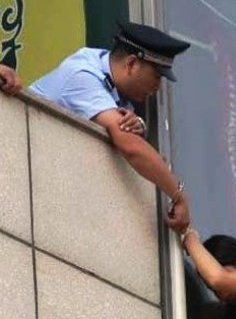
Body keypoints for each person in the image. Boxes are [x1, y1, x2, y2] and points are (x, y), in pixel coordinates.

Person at [29, 21, 191, 231]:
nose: (158, 87)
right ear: (131, 64)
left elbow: (133, 138)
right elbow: (131, 147)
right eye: (157, 76)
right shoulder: (83, 75)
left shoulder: (113, 83)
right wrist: (178, 195)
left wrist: (139, 125)